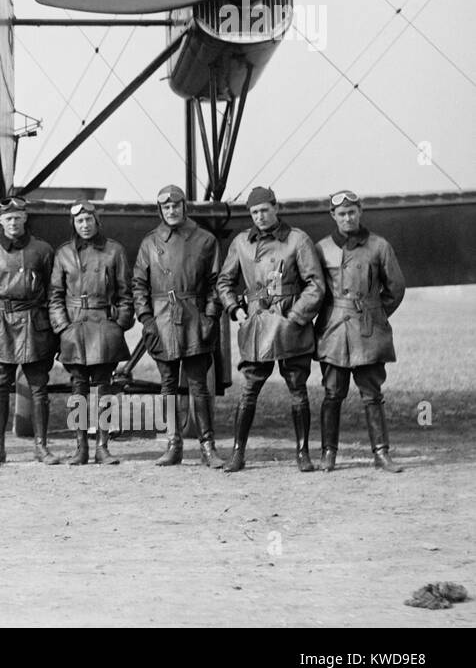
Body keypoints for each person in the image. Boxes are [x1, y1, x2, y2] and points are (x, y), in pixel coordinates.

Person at [217, 186, 325, 473]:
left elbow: (315, 285)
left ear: (276, 207)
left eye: (265, 209)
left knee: (297, 389)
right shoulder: (241, 242)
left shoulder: (298, 240)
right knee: (249, 390)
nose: (260, 216)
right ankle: (238, 453)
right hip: (256, 324)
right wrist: (236, 310)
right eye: (254, 212)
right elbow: (224, 282)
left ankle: (303, 453)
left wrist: (295, 317)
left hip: (291, 325)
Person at [132, 184, 226, 468]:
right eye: (166, 207)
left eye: (176, 205)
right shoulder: (150, 243)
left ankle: (208, 446)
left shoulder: (205, 240)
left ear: (185, 207)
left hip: (194, 317)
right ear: (160, 210)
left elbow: (216, 283)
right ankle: (173, 444)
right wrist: (147, 320)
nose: (171, 211)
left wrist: (209, 316)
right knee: (168, 385)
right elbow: (138, 285)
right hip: (161, 319)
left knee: (198, 385)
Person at [313, 190, 407, 473]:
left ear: (360, 212)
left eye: (352, 212)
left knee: (372, 394)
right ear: (333, 216)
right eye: (341, 214)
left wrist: (374, 315)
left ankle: (381, 453)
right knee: (332, 394)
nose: (347, 218)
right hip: (333, 332)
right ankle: (328, 454)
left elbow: (395, 288)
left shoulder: (379, 246)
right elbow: (314, 288)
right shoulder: (321, 249)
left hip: (368, 333)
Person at [0, 194, 60, 467]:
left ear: (25, 218)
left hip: (35, 325)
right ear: (0, 220)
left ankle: (41, 447)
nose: (13, 222)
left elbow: (54, 289)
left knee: (38, 388)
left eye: (17, 218)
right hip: (0, 326)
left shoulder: (43, 251)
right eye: (8, 218)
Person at [49, 200, 134, 465]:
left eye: (88, 220)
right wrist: (62, 327)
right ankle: (80, 447)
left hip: (103, 327)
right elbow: (55, 295)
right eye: (79, 221)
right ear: (73, 225)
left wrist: (118, 324)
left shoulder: (114, 251)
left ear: (97, 221)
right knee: (78, 390)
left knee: (104, 389)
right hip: (74, 328)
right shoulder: (63, 254)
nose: (84, 226)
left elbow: (125, 293)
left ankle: (103, 446)